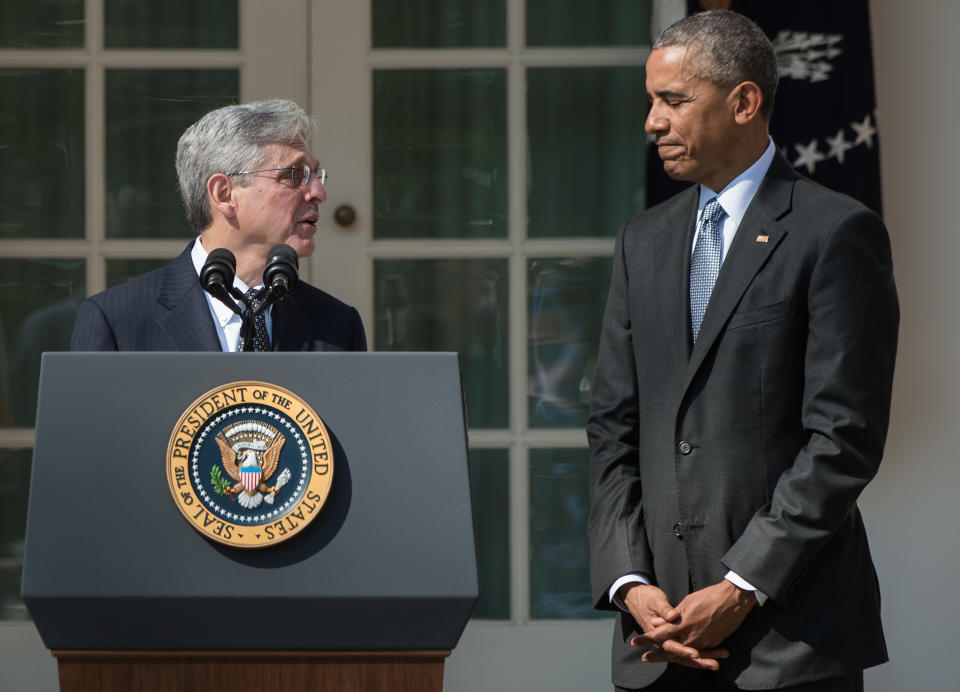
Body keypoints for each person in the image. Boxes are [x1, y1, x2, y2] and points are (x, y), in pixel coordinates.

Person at [587, 10, 897, 692]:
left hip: (790, 646)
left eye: (672, 101)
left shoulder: (837, 232)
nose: (652, 121)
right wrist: (628, 580)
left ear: (744, 102)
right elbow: (613, 427)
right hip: (658, 642)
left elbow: (843, 438)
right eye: (651, 101)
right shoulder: (642, 241)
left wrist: (740, 586)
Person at [70, 99, 366, 352]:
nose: (318, 192)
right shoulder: (116, 321)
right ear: (224, 194)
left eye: (316, 175)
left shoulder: (338, 326)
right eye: (294, 176)